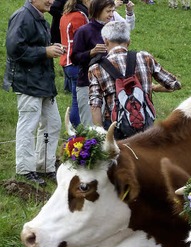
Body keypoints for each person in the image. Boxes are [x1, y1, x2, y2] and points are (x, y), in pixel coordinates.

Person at [4, 0, 65, 186]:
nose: (51, 1)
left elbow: (34, 47)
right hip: (28, 82)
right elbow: (14, 50)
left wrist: (52, 48)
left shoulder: (40, 19)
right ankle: (25, 169)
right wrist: (44, 51)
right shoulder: (22, 16)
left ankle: (45, 166)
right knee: (28, 125)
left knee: (53, 123)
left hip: (43, 82)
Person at [88, 21, 181, 129]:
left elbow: (95, 104)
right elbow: (173, 84)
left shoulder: (96, 68)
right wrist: (153, 87)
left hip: (116, 128)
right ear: (128, 41)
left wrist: (100, 133)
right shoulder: (145, 57)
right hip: (145, 127)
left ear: (106, 41)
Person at [71, 0, 116, 127]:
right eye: (108, 11)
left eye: (113, 11)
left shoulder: (113, 31)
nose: (111, 14)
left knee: (110, 127)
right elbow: (74, 58)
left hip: (109, 85)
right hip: (88, 84)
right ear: (98, 10)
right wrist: (91, 52)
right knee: (91, 128)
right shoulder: (84, 31)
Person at [59, 0, 90, 127]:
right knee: (79, 101)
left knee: (75, 99)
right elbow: (83, 39)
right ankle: (78, 128)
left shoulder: (65, 15)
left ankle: (75, 128)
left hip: (67, 61)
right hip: (75, 62)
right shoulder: (79, 16)